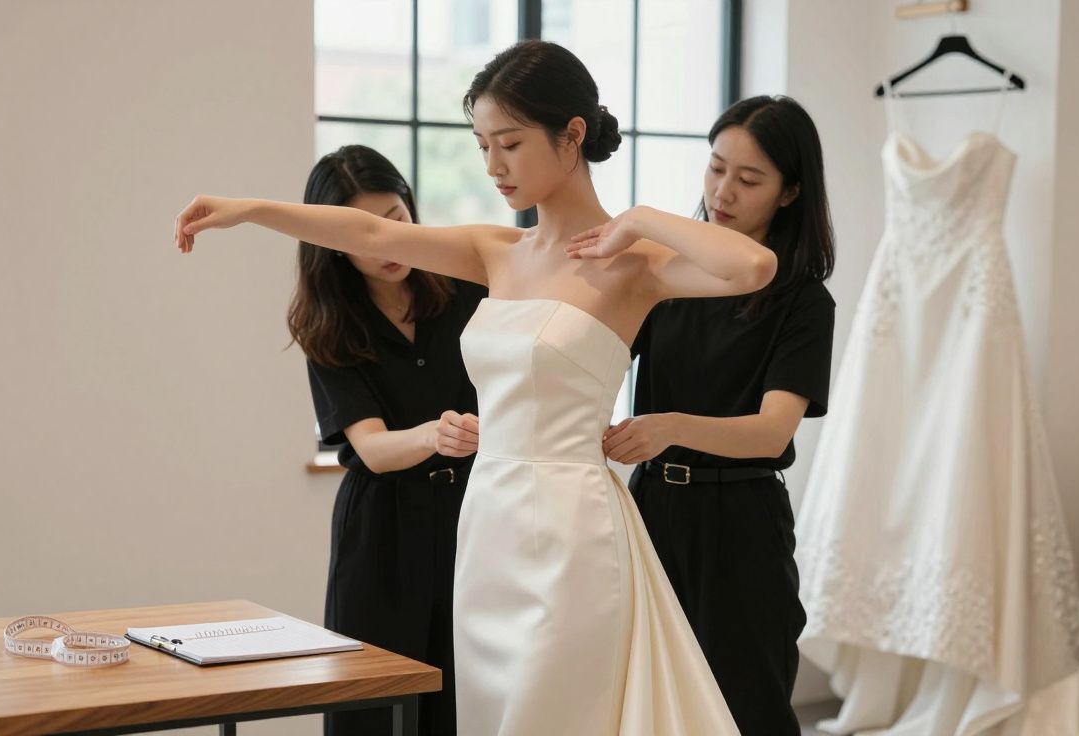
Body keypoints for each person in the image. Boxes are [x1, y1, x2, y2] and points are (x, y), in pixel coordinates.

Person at [174, 40, 776, 736]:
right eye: (483, 144)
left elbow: (754, 266)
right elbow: (368, 228)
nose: (493, 166)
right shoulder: (499, 251)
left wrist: (636, 219)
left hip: (573, 529)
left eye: (511, 144)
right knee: (490, 713)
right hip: (489, 522)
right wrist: (250, 210)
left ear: (572, 135)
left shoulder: (634, 262)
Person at [608, 96, 836, 735]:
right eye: (715, 168)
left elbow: (772, 431)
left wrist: (670, 427)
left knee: (747, 706)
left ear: (790, 192)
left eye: (749, 178)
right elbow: (597, 361)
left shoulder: (803, 301)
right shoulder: (664, 277)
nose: (723, 191)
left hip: (741, 523)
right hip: (649, 510)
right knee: (647, 704)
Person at [293, 145, 484, 736]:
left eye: (394, 220)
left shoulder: (465, 289)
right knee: (373, 708)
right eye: (360, 233)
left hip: (471, 520)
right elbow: (371, 449)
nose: (383, 243)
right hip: (381, 532)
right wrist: (435, 433)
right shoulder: (327, 325)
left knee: (466, 698)